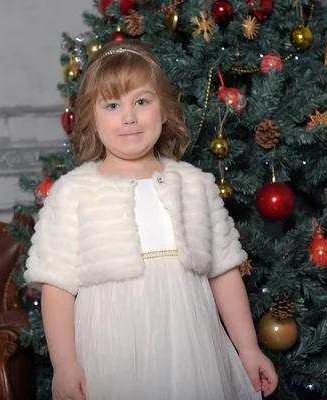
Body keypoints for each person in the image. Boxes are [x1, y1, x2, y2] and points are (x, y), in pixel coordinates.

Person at [24, 39, 278, 400]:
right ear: (92, 121)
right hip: (111, 350)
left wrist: (249, 349)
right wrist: (65, 365)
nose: (129, 117)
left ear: (164, 110)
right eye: (112, 105)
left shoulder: (193, 185)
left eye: (141, 102)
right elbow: (57, 287)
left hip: (190, 344)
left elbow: (223, 271)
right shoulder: (74, 192)